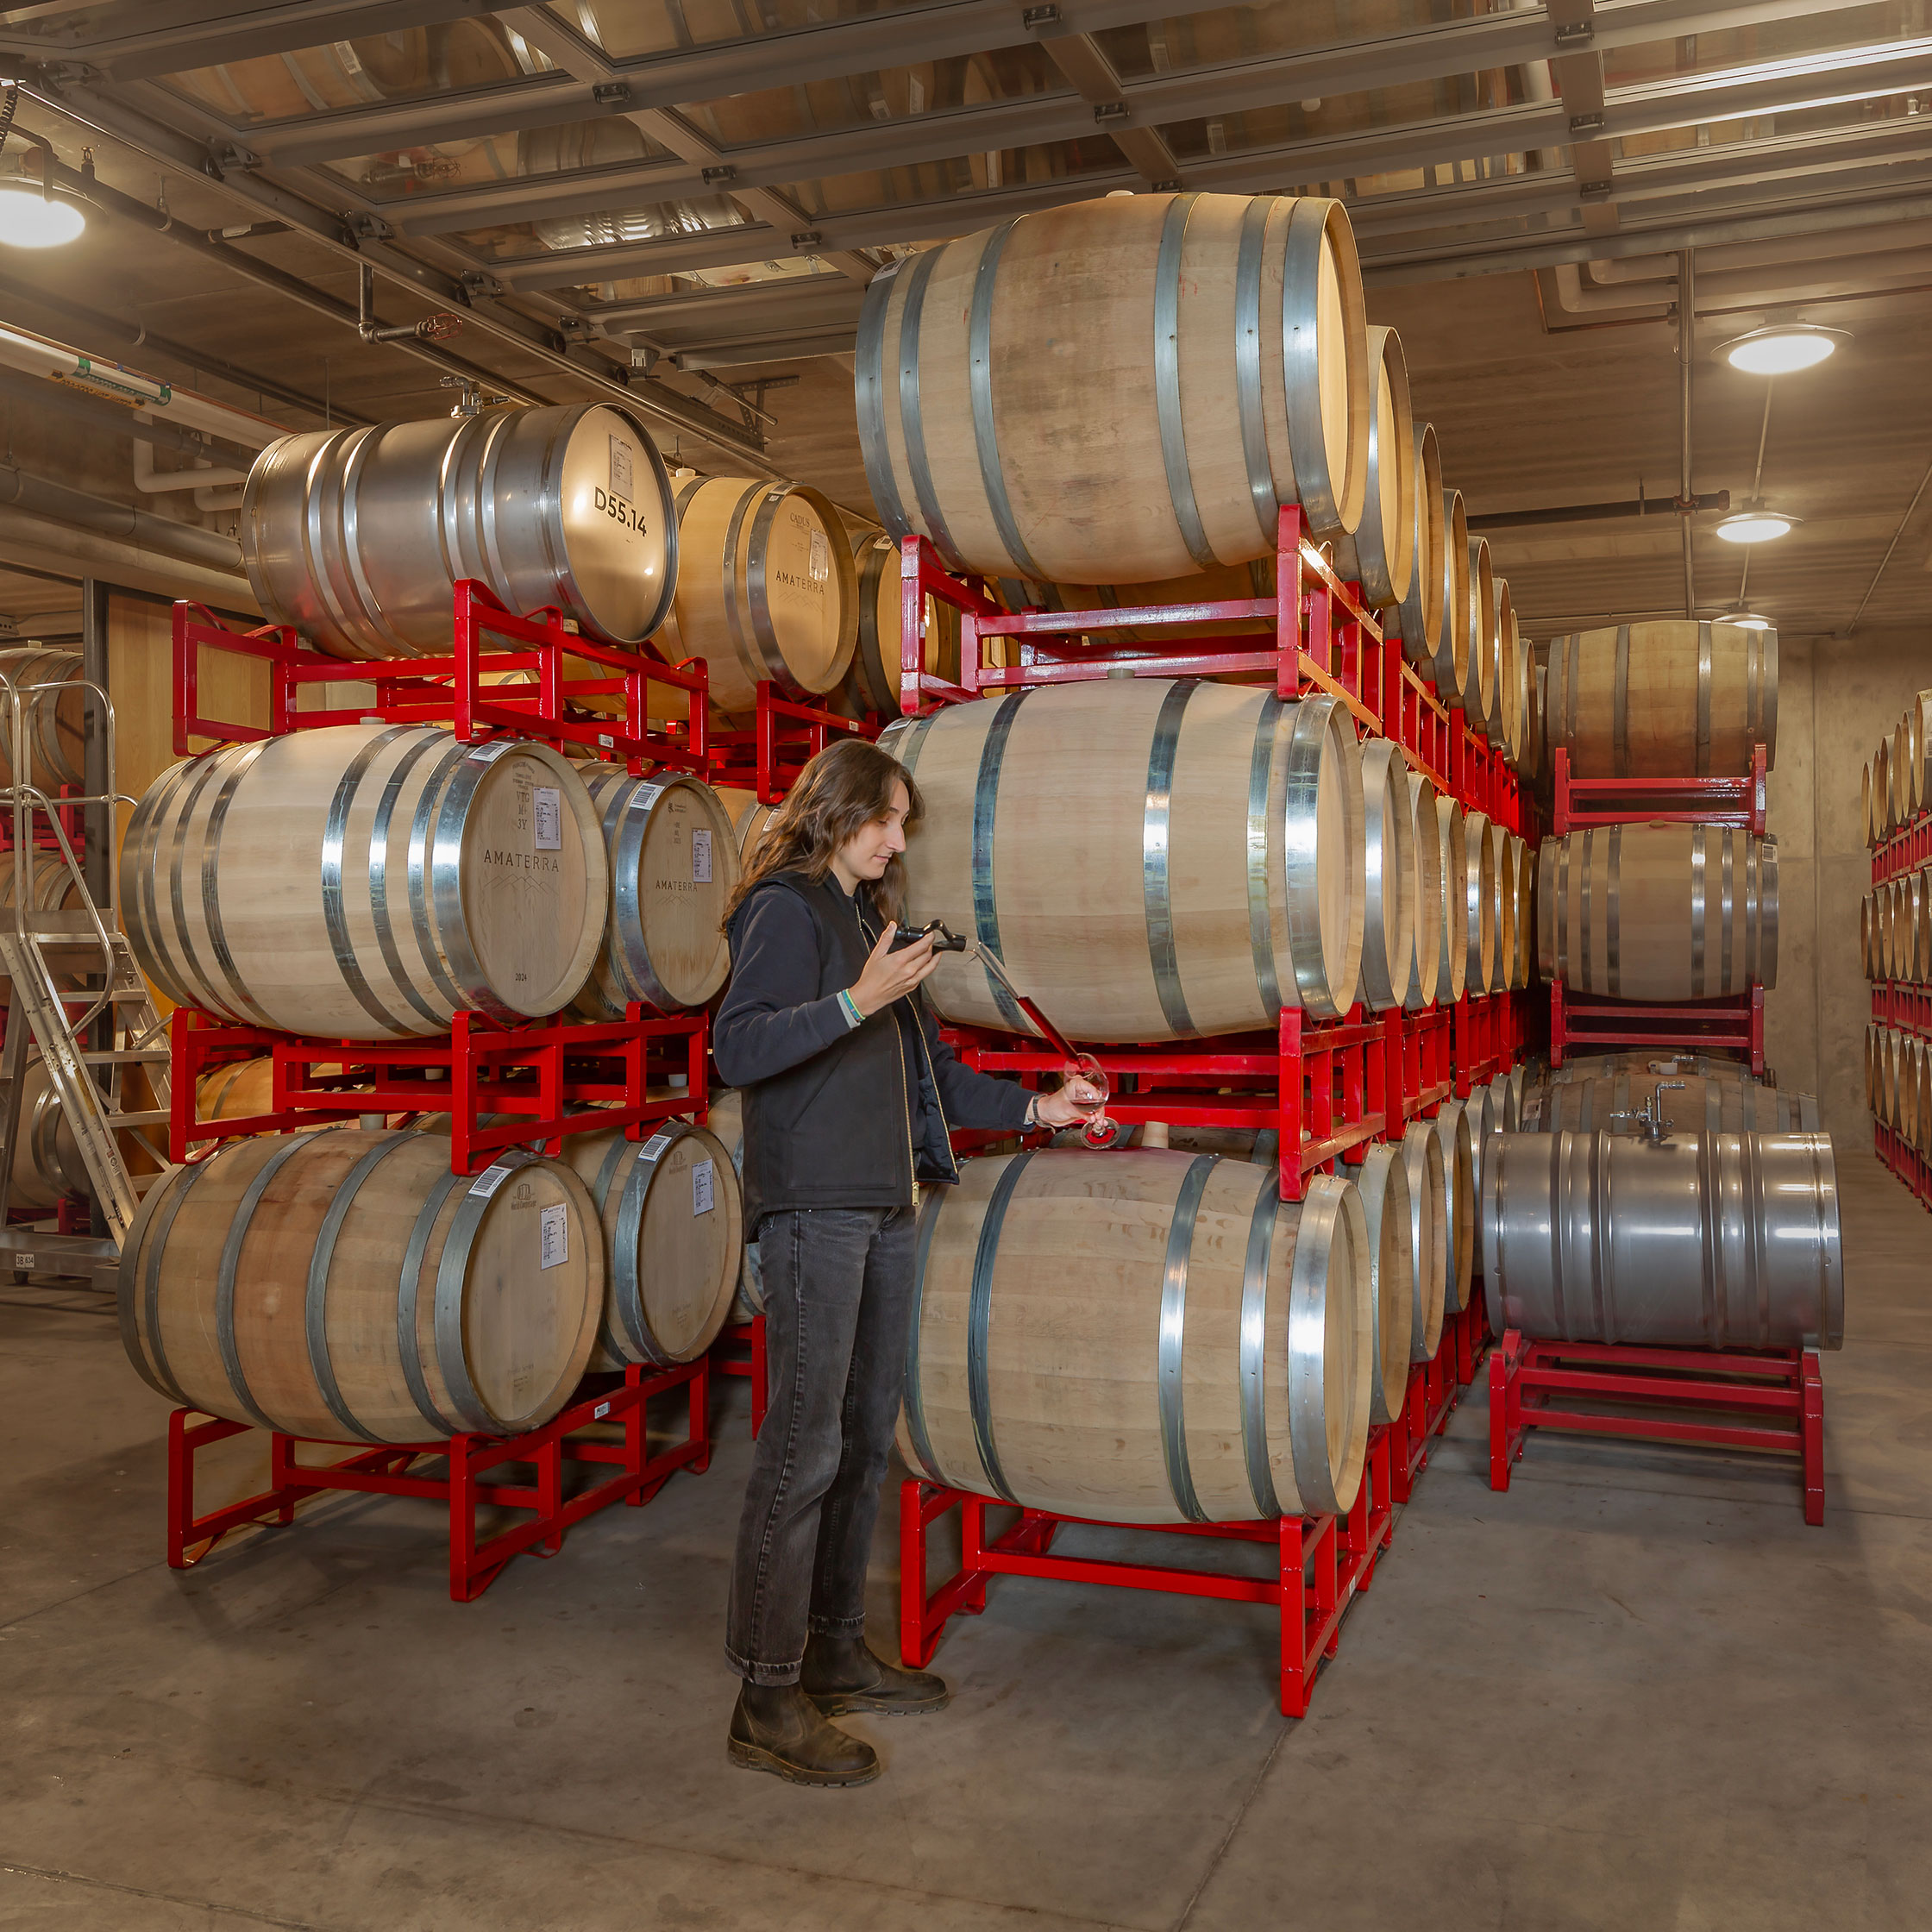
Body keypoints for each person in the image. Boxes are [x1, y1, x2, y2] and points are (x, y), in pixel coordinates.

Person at [713, 737, 1101, 1787]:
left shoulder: (866, 921)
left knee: (858, 1442)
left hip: (885, 1206)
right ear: (836, 812)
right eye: (883, 818)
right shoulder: (785, 908)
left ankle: (834, 1649)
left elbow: (930, 1071)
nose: (895, 838)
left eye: (899, 823)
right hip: (812, 1213)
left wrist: (1038, 1108)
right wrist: (856, 998)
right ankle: (766, 1690)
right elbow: (736, 1045)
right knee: (799, 1450)